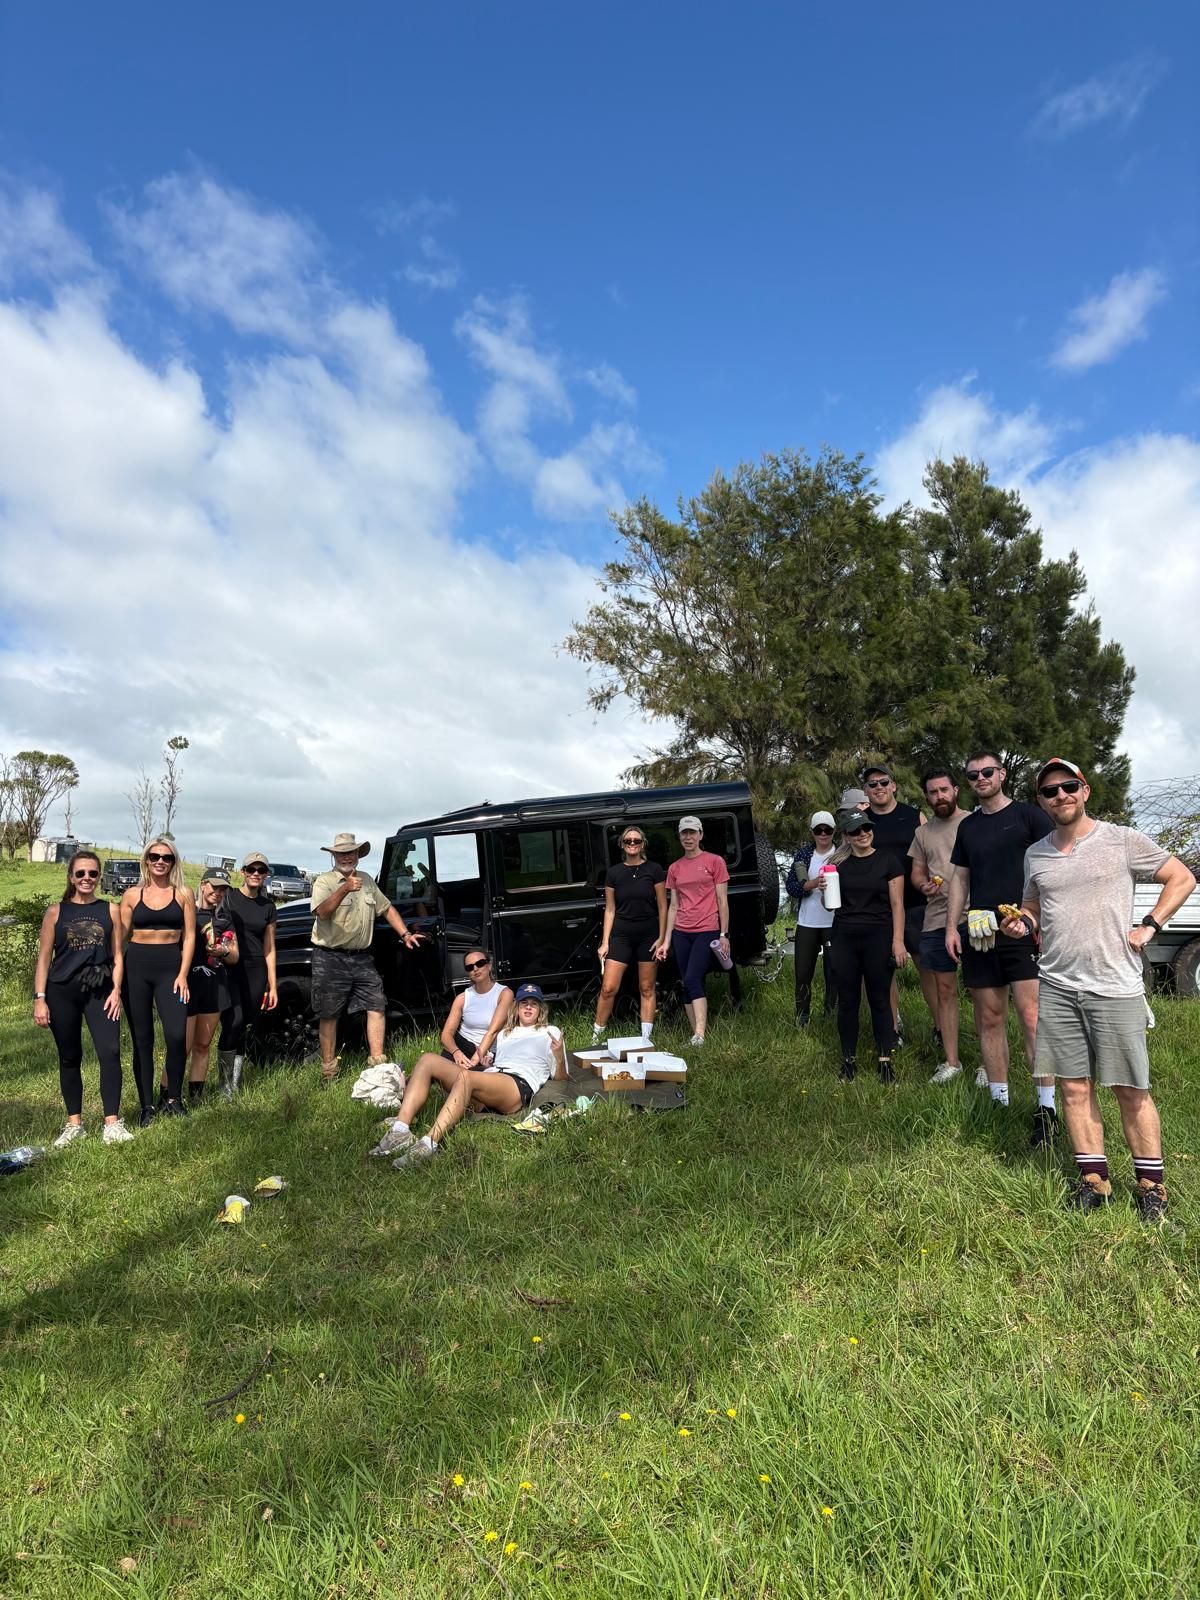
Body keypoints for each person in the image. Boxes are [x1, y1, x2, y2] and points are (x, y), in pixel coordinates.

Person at [1004, 760, 1195, 1220]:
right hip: (1056, 985)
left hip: (1115, 986)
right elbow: (1033, 901)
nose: (1061, 796)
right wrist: (1022, 921)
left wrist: (1150, 924)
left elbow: (1182, 877)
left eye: (1069, 786)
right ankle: (1095, 1181)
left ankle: (1151, 1188)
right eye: (1050, 791)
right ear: (1042, 802)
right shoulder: (1036, 854)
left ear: (1084, 790)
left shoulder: (1122, 839)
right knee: (1073, 1088)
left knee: (1130, 1088)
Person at [945, 750, 1058, 1146]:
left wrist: (1040, 919)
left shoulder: (1029, 816)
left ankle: (1047, 1109)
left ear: (1002, 774)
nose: (981, 778)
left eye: (987, 772)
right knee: (990, 1019)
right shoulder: (968, 827)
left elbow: (1054, 865)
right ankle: (1000, 1101)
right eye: (973, 774)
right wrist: (950, 928)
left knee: (1031, 1017)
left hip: (1022, 927)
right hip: (981, 931)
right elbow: (959, 879)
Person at [384, 983, 567, 1170]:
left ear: (541, 1009)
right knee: (427, 1060)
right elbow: (500, 1063)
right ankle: (400, 1130)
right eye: (524, 1003)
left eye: (534, 1004)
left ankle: (428, 1145)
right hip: (495, 1077)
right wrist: (489, 1063)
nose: (528, 1007)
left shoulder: (550, 1032)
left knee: (466, 1077)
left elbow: (561, 1079)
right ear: (517, 1008)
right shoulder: (505, 1034)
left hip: (517, 1085)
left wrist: (559, 1057)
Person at [32, 850, 132, 1146]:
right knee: (70, 1056)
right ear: (71, 878)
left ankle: (112, 1123)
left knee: (110, 1051)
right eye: (81, 874)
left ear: (99, 877)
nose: (87, 878)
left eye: (92, 873)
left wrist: (116, 991)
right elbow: (44, 959)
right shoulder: (56, 912)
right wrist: (40, 997)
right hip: (62, 991)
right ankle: (74, 1124)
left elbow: (117, 956)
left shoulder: (110, 910)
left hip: (100, 990)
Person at [309, 831, 423, 1081]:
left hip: (361, 957)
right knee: (329, 1014)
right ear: (334, 856)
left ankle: (377, 1065)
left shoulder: (368, 881)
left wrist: (405, 934)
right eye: (342, 853)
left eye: (351, 852)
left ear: (358, 855)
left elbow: (387, 908)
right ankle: (329, 1070)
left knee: (376, 1004)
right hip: (331, 957)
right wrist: (345, 889)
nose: (347, 857)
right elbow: (322, 913)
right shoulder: (325, 882)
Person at [118, 838, 196, 1124]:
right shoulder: (131, 894)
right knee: (142, 1040)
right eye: (155, 856)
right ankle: (146, 1106)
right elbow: (119, 937)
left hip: (171, 969)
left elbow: (189, 936)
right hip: (136, 967)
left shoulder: (184, 894)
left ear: (174, 862)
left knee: (176, 1036)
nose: (160, 861)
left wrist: (183, 974)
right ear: (146, 860)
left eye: (167, 857)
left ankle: (173, 1098)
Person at [829, 810, 908, 1081]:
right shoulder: (838, 865)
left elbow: (898, 904)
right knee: (848, 1000)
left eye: (866, 828)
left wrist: (898, 942)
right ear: (847, 837)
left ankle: (885, 1060)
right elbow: (830, 903)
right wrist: (823, 888)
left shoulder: (889, 861)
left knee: (880, 999)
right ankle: (848, 1060)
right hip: (844, 937)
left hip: (879, 936)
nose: (862, 834)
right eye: (855, 830)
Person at [862, 765, 931, 1047]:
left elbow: (932, 853)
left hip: (916, 905)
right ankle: (892, 1031)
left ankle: (940, 1027)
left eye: (883, 782)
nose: (878, 787)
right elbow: (847, 858)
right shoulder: (860, 821)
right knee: (882, 973)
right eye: (872, 784)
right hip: (877, 909)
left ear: (894, 786)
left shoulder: (914, 816)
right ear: (866, 791)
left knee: (928, 969)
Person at [908, 771, 969, 1084]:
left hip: (975, 918)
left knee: (985, 994)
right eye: (932, 793)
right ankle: (951, 1061)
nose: (939, 797)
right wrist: (922, 886)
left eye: (944, 790)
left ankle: (989, 1065)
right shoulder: (923, 833)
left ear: (955, 790)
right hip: (935, 920)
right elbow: (916, 874)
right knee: (945, 991)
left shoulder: (975, 821)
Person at [657, 815, 730, 1046]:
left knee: (692, 978)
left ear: (700, 835)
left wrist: (723, 934)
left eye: (692, 833)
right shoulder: (675, 868)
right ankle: (695, 1035)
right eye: (684, 834)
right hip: (681, 931)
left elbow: (722, 900)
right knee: (686, 981)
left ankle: (700, 1034)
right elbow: (674, 906)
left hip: (707, 928)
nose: (688, 837)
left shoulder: (714, 861)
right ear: (679, 837)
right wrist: (666, 940)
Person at [592, 826, 667, 1045]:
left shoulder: (654, 870)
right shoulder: (614, 873)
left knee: (646, 987)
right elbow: (610, 909)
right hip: (621, 935)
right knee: (608, 988)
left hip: (649, 935)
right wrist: (605, 942)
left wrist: (662, 937)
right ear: (621, 845)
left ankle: (645, 1039)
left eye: (636, 841)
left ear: (643, 844)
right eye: (628, 841)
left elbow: (663, 906)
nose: (632, 844)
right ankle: (596, 1037)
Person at [216, 851, 278, 1096]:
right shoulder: (229, 897)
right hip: (230, 966)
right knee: (234, 1021)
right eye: (251, 870)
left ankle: (235, 1082)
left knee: (245, 1026)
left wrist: (272, 985)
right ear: (242, 872)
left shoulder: (268, 906)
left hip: (256, 969)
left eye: (260, 871)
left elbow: (270, 948)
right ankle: (223, 1085)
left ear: (265, 875)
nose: (255, 874)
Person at [183, 868, 239, 1103]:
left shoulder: (225, 919)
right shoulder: (187, 913)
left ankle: (195, 1098)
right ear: (203, 884)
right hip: (186, 986)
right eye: (214, 887)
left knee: (203, 1045)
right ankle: (169, 1098)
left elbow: (235, 956)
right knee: (180, 1047)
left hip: (214, 987)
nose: (218, 892)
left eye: (223, 889)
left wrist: (223, 951)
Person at [785, 811, 838, 1025]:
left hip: (835, 922)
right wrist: (813, 883)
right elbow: (792, 887)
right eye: (819, 830)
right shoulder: (804, 855)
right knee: (803, 972)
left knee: (834, 972)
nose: (823, 834)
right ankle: (802, 1016)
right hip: (808, 922)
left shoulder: (843, 853)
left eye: (828, 830)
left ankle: (831, 1014)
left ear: (834, 831)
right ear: (812, 832)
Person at [440, 949, 513, 1065]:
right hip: (461, 1047)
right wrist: (456, 1052)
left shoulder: (504, 994)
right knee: (431, 1065)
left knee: (452, 1075)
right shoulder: (462, 998)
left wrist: (473, 1061)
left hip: (484, 1053)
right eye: (469, 967)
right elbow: (446, 1033)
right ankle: (404, 1079)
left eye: (480, 963)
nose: (475, 969)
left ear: (489, 965)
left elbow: (492, 1032)